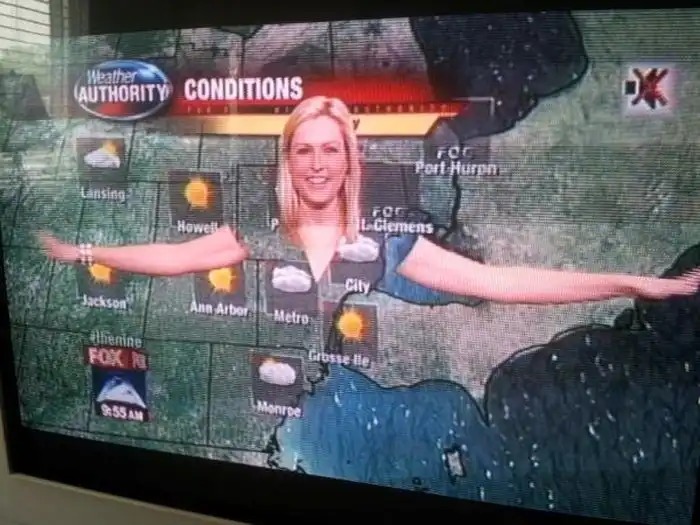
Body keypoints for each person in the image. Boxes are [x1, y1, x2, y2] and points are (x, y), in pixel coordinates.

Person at [40, 95, 700, 304]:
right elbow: (174, 257)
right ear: (288, 160)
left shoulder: (388, 237)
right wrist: (85, 251)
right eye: (304, 150)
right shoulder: (264, 228)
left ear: (350, 158)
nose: (317, 164)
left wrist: (634, 285)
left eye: (331, 150)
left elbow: (504, 283)